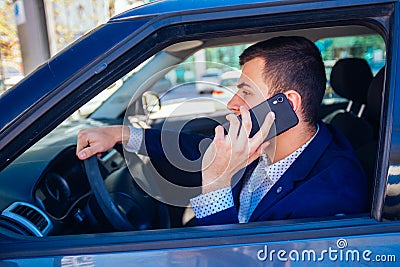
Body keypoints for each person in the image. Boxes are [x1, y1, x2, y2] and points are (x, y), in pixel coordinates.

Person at [76, 36, 370, 226]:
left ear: (287, 104)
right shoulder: (267, 143)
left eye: (246, 92)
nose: (232, 103)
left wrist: (215, 186)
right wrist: (121, 134)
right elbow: (200, 146)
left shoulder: (329, 197)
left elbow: (234, 259)